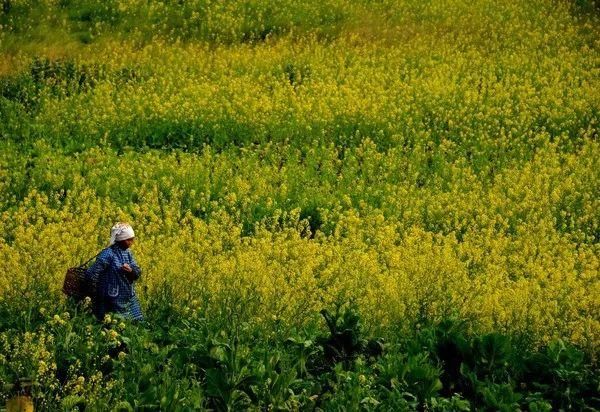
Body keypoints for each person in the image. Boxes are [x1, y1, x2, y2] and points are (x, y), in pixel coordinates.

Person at [86, 222, 143, 321]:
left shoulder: (128, 253)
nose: (131, 242)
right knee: (112, 323)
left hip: (129, 296)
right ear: (120, 240)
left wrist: (131, 271)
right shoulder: (108, 254)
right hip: (111, 298)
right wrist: (96, 292)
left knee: (135, 322)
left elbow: (137, 272)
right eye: (128, 240)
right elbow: (92, 273)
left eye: (132, 239)